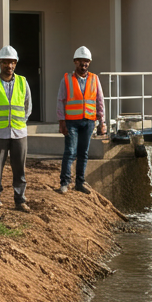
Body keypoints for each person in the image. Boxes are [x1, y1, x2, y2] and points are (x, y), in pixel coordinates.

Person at [0, 45, 32, 211]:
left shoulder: (23, 82)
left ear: (15, 64)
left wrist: (21, 122)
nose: (9, 66)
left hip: (19, 133)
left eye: (12, 62)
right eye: (5, 62)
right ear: (0, 63)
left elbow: (27, 106)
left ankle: (20, 200)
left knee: (20, 169)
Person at [57, 45, 106, 193]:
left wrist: (102, 122)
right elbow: (61, 100)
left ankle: (80, 182)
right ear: (75, 62)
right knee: (70, 152)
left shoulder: (94, 79)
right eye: (80, 61)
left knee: (83, 153)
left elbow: (100, 101)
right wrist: (61, 122)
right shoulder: (66, 79)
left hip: (89, 121)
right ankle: (65, 183)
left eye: (86, 62)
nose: (83, 64)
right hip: (71, 121)